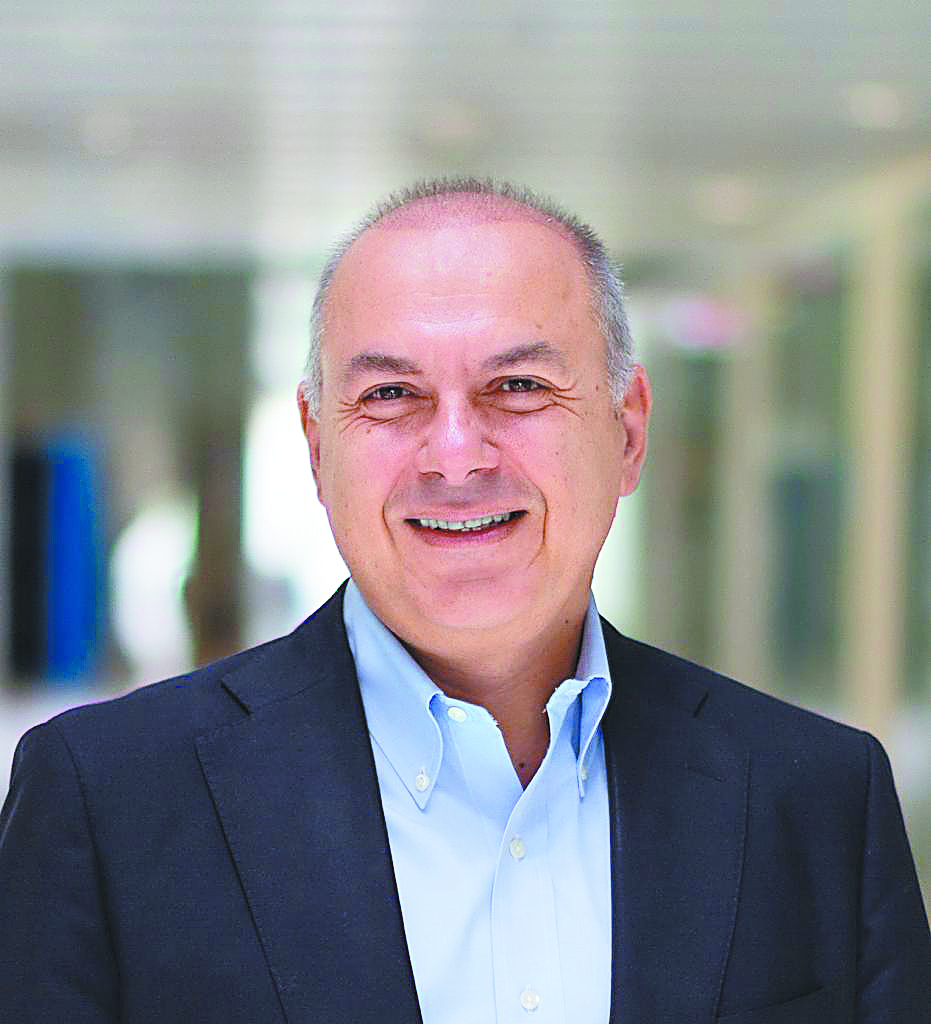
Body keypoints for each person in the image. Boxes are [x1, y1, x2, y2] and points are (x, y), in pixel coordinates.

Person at [1, 178, 928, 1024]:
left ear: (628, 432)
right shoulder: (105, 801)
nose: (454, 455)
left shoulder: (816, 798)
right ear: (317, 448)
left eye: (518, 386)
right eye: (390, 393)